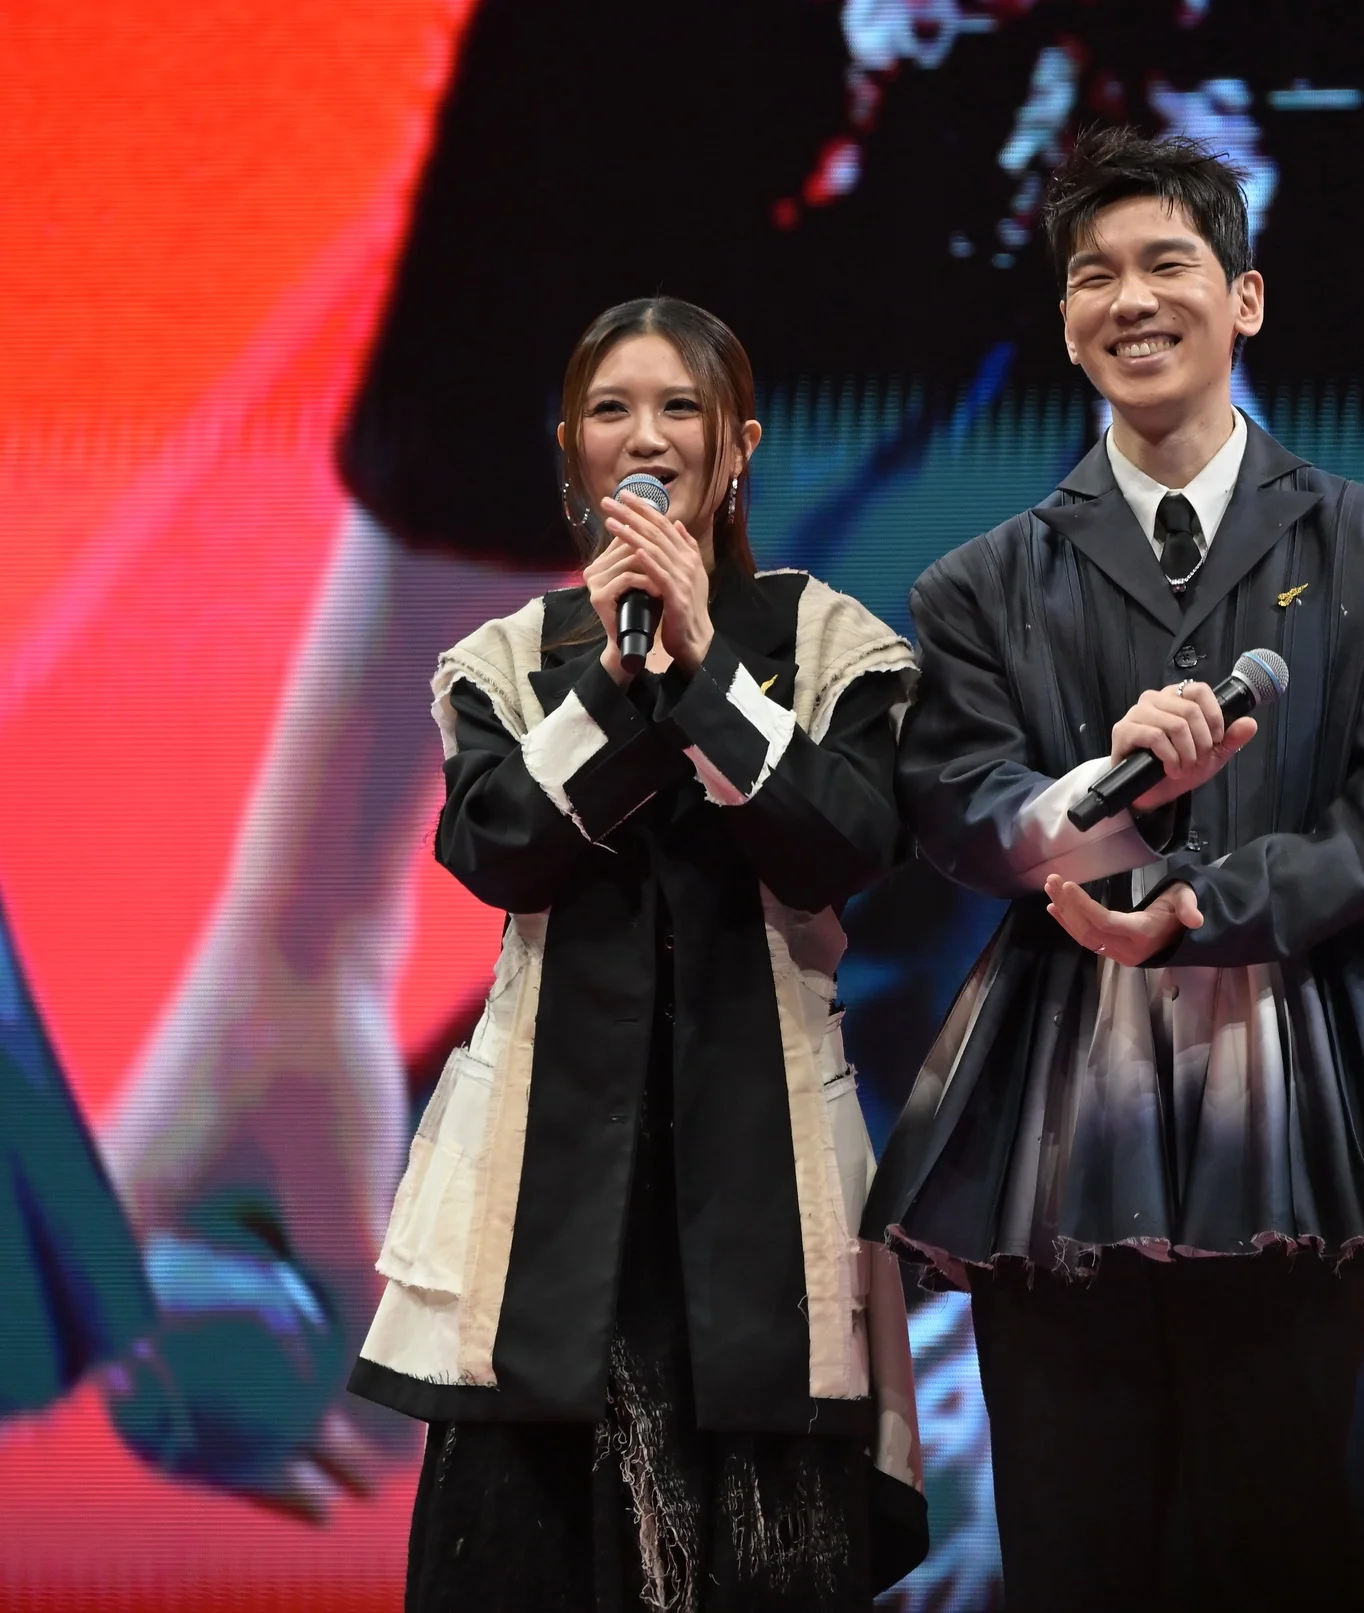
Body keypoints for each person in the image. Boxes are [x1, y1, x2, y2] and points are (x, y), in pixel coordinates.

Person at [862, 126, 1364, 1611]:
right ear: (1062, 322)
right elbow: (957, 807)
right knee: (1070, 1536)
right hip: (1060, 1089)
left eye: (1166, 263)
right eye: (1092, 275)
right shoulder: (975, 584)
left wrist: (1201, 908)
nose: (1130, 299)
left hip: (1296, 1073)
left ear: (1245, 298)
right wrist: (1098, 806)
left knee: (1273, 1526)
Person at [346, 299, 925, 1612]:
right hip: (545, 1198)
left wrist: (706, 666)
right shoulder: (510, 659)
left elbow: (839, 846)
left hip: (766, 1191)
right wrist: (612, 685)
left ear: (740, 445)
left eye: (680, 408)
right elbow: (497, 849)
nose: (646, 438)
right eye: (612, 410)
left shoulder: (828, 645)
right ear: (571, 446)